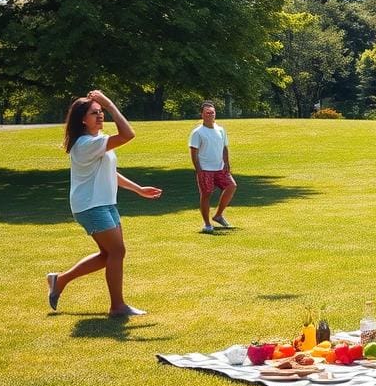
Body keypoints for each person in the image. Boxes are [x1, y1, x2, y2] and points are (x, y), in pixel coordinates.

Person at [47, 90, 162, 317]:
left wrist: (138, 189)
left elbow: (110, 172)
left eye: (101, 112)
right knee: (117, 251)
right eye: (94, 113)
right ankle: (117, 306)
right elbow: (128, 134)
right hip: (90, 206)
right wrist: (109, 103)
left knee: (109, 254)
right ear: (82, 119)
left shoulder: (96, 142)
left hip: (105, 203)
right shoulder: (85, 144)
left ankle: (59, 280)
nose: (100, 116)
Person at [189, 100, 236, 233]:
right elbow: (194, 152)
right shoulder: (198, 132)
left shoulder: (221, 130)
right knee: (206, 194)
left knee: (231, 186)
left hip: (220, 168)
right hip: (205, 169)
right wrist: (198, 169)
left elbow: (224, 147)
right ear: (202, 115)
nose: (210, 115)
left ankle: (218, 215)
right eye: (207, 113)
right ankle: (207, 224)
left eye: (212, 113)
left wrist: (226, 162)